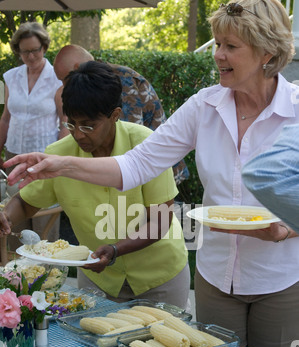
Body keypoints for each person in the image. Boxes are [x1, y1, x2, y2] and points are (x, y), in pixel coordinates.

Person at [4, 0, 299, 347]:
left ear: (268, 51)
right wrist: (60, 163)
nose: (218, 55)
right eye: (217, 43)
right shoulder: (203, 107)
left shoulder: (295, 112)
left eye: (230, 46)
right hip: (215, 277)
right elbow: (135, 165)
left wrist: (286, 229)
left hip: (281, 278)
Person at [1, 61, 190, 309]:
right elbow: (26, 203)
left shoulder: (145, 145)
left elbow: (160, 220)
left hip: (159, 277)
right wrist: (6, 217)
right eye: (71, 124)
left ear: (115, 115)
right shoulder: (58, 155)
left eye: (88, 125)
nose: (79, 134)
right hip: (98, 279)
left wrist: (115, 249)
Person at [53, 44, 189, 185]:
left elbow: (128, 142)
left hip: (155, 171)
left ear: (77, 69)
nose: (65, 86)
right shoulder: (103, 78)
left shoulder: (120, 81)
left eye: (65, 79)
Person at [0, 22, 68, 244]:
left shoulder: (56, 79)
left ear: (44, 47)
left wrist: (59, 157)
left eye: (35, 50)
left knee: (43, 226)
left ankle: (48, 272)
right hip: (13, 157)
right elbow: (6, 118)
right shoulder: (11, 77)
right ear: (18, 52)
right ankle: (15, 273)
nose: (31, 56)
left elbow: (64, 121)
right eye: (25, 51)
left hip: (43, 159)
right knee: (12, 222)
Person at [242, 123, 299, 234]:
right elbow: (199, 201)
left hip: (285, 249)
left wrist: (286, 232)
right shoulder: (202, 108)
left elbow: (262, 175)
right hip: (211, 247)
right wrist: (196, 240)